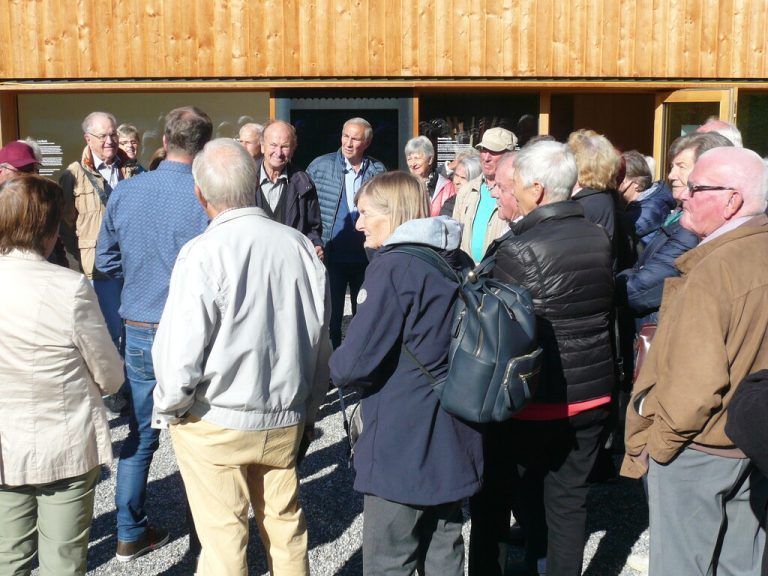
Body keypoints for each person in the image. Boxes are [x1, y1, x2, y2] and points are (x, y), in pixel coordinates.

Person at [152, 138, 330, 576]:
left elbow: (180, 353)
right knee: (287, 530)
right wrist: (309, 408)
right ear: (254, 186)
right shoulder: (301, 247)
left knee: (224, 540)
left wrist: (170, 408)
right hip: (284, 415)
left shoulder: (202, 253)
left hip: (217, 420)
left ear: (200, 195)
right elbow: (320, 341)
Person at [470, 142, 614, 576]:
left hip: (538, 400)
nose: (504, 192)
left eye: (510, 185)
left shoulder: (519, 250)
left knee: (495, 497)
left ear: (535, 189)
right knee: (567, 506)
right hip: (592, 394)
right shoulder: (597, 234)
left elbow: (501, 334)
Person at [623, 146, 768, 576]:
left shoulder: (711, 271)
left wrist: (659, 444)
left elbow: (695, 385)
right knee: (741, 567)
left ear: (731, 200)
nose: (681, 193)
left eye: (696, 187)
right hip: (750, 443)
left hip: (698, 447)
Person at [330, 171, 483, 576]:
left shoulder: (393, 267)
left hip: (403, 438)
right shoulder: (456, 258)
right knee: (444, 549)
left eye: (364, 213)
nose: (358, 223)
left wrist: (331, 363)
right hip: (454, 426)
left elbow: (355, 362)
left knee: (389, 559)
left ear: (392, 213)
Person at [96, 106, 213, 562]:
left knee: (142, 434)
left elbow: (104, 264)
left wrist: (141, 276)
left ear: (164, 140)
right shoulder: (207, 195)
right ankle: (205, 540)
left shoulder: (126, 192)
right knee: (199, 435)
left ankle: (128, 531)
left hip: (141, 329)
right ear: (202, 146)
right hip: (194, 331)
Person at [0, 174, 124, 575]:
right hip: (64, 441)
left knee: (8, 556)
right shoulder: (69, 287)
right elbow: (108, 373)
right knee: (64, 560)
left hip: (5, 441)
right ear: (50, 229)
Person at [616, 132, 732, 328]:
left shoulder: (695, 229)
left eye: (681, 167)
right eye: (672, 167)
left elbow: (638, 290)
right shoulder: (679, 214)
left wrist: (610, 281)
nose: (670, 176)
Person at [59, 112, 142, 350]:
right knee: (107, 332)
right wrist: (84, 254)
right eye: (102, 135)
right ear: (88, 138)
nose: (110, 141)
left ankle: (130, 383)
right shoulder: (72, 174)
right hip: (98, 269)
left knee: (132, 330)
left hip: (133, 265)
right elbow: (66, 225)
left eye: (113, 134)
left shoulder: (133, 169)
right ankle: (112, 386)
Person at [307, 117, 386, 349]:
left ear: (367, 143)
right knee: (331, 318)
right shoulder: (319, 167)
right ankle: (331, 367)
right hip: (332, 255)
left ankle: (359, 363)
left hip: (366, 257)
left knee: (364, 315)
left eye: (355, 139)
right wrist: (315, 240)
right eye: (345, 136)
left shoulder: (377, 170)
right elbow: (306, 210)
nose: (348, 143)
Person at [254, 120, 323, 253]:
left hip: (290, 262)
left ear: (293, 149)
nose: (278, 153)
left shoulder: (304, 183)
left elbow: (313, 228)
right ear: (262, 146)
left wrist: (316, 245)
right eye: (273, 145)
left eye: (285, 146)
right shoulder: (244, 180)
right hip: (254, 262)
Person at [452, 126, 516, 262]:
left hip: (500, 274)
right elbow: (454, 238)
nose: (486, 157)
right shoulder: (466, 191)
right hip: (468, 276)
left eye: (493, 151)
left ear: (509, 154)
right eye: (483, 150)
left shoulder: (516, 193)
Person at [619, 150, 676, 247]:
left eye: (619, 179)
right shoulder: (640, 204)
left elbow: (619, 236)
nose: (614, 183)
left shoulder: (649, 210)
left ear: (636, 183)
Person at [404, 135, 456, 216]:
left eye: (417, 158)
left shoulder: (445, 186)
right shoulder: (404, 186)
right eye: (409, 159)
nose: (413, 164)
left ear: (430, 160)